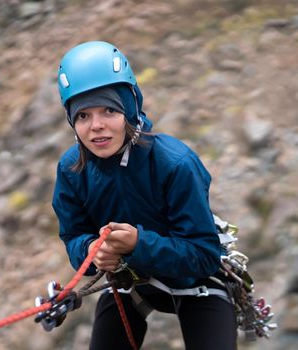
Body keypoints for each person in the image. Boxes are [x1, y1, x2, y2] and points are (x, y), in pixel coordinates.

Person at [52, 41, 237, 350]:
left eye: (109, 110)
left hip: (198, 281)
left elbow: (205, 256)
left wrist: (139, 244)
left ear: (130, 108)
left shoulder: (175, 164)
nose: (96, 126)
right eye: (83, 116)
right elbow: (73, 235)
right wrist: (91, 251)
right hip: (129, 281)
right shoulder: (72, 169)